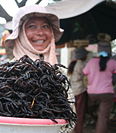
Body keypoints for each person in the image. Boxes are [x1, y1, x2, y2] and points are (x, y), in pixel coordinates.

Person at [4, 5, 75, 133]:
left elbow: (70, 117)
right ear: (20, 33)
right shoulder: (6, 72)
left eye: (45, 26)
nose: (40, 33)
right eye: (32, 26)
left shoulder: (60, 73)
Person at [83, 51, 116, 133]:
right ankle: (100, 129)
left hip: (91, 93)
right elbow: (114, 80)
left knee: (92, 110)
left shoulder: (91, 62)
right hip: (106, 93)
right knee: (103, 116)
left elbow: (85, 74)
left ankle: (93, 126)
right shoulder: (113, 62)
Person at [67, 47, 92, 133]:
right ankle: (78, 130)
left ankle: (72, 128)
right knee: (80, 112)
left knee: (73, 111)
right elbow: (87, 76)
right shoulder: (81, 64)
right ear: (84, 56)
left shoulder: (73, 63)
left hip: (73, 90)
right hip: (80, 90)